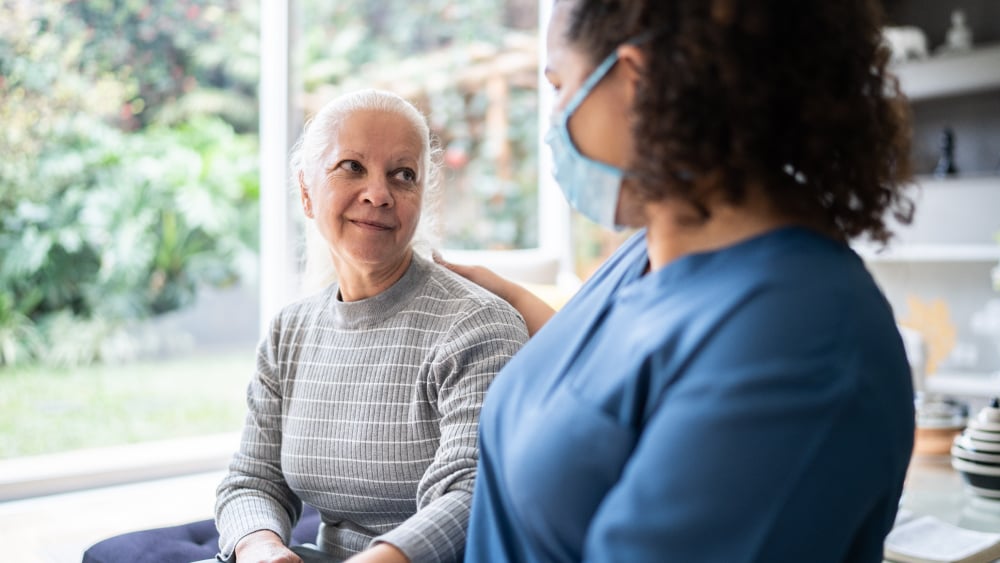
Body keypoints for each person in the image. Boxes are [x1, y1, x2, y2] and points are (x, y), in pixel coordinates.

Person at [440, 1, 918, 561]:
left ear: (635, 83)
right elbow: (610, 383)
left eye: (559, 85)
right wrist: (510, 299)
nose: (553, 123)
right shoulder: (647, 252)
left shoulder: (804, 338)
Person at [82, 89, 528, 563]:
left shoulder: (477, 325)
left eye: (403, 175)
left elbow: (471, 495)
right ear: (306, 192)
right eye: (352, 166)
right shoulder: (289, 331)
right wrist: (262, 549)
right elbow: (252, 479)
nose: (378, 194)